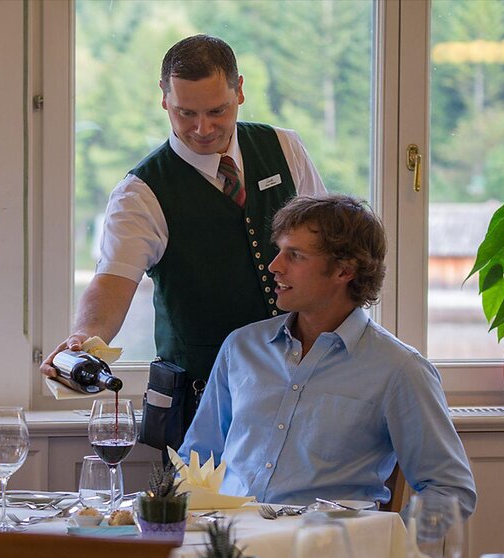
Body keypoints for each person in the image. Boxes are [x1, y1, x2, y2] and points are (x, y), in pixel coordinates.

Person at [40, 34, 325, 447]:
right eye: (185, 112)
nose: (202, 128)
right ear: (164, 98)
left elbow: (325, 249)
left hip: (301, 385)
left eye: (217, 111)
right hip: (202, 403)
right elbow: (112, 284)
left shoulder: (285, 147)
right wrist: (83, 340)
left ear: (240, 90)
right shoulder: (141, 192)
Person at [177, 194, 477, 518]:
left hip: (328, 557)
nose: (274, 266)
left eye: (294, 255)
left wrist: (386, 545)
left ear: (344, 270)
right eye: (279, 251)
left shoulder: (400, 370)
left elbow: (450, 491)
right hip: (226, 551)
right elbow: (195, 459)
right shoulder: (241, 347)